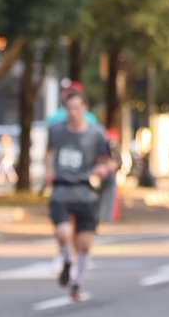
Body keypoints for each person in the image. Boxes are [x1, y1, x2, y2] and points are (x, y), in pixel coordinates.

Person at [45, 80, 116, 303]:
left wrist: (103, 168)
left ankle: (77, 283)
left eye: (76, 108)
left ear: (84, 107)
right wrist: (48, 170)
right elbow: (49, 154)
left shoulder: (96, 133)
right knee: (63, 233)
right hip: (61, 189)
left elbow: (113, 160)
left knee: (84, 243)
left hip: (86, 192)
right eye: (69, 109)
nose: (73, 113)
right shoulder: (56, 130)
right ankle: (67, 259)